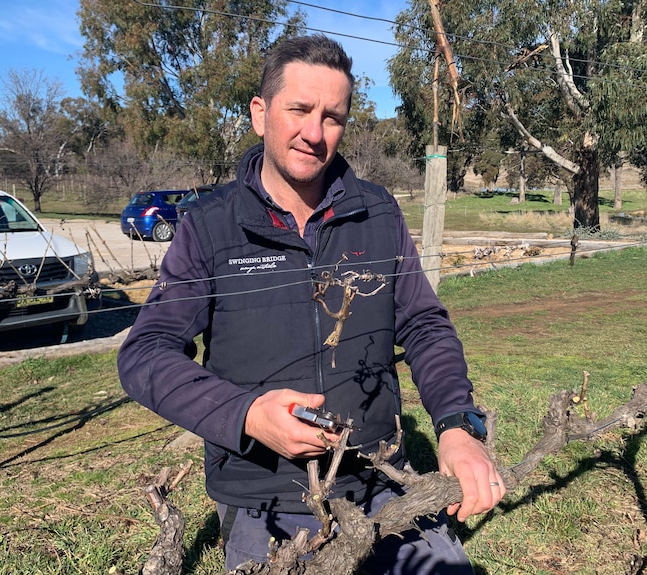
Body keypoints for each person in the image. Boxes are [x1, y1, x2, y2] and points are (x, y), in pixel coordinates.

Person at [117, 34, 505, 574]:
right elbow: (145, 355)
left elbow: (423, 325)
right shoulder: (209, 227)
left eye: (333, 117)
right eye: (299, 109)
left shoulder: (377, 213)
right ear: (260, 113)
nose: (314, 133)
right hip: (262, 490)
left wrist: (458, 425)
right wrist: (247, 414)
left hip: (376, 475)